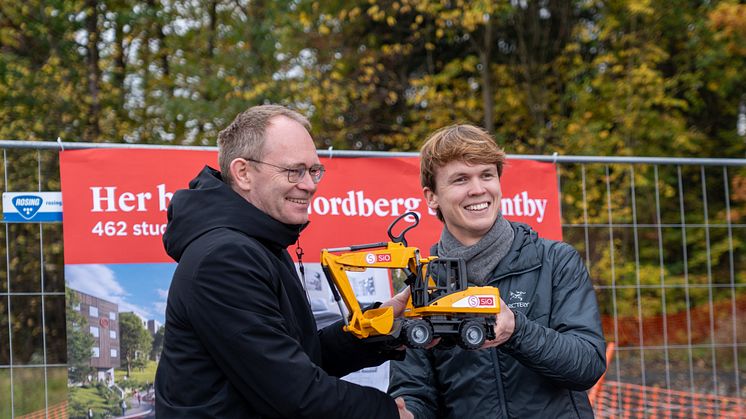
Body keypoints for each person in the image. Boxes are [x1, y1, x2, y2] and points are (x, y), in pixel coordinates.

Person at [155, 104, 413, 418]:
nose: (309, 184)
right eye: (294, 171)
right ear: (243, 173)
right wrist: (387, 413)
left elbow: (301, 357)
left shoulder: (259, 244)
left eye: (314, 170)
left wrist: (381, 328)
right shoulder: (224, 258)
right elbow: (294, 393)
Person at [388, 124, 607, 418]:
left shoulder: (555, 261)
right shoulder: (424, 284)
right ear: (432, 197)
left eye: (487, 175)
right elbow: (416, 392)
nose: (478, 189)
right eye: (461, 179)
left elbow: (588, 365)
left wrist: (517, 330)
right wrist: (408, 413)